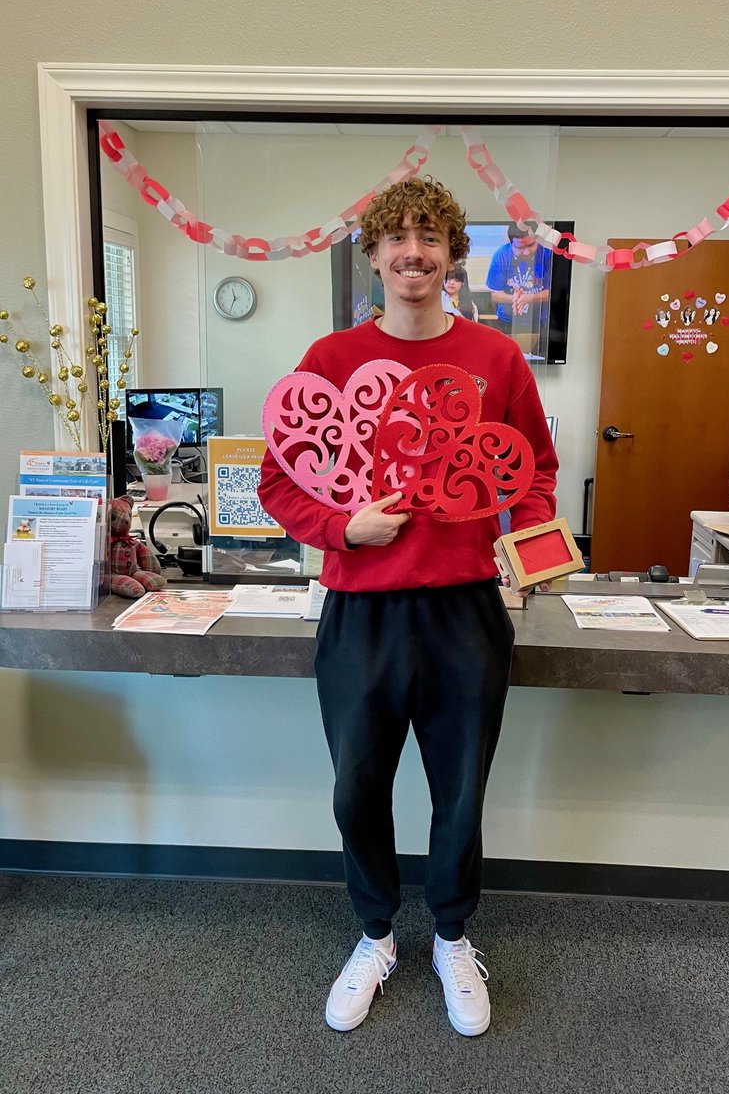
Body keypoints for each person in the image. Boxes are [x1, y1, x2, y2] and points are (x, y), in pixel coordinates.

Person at [257, 177, 558, 1038]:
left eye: (429, 236)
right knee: (358, 788)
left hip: (466, 611)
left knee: (459, 791)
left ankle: (454, 937)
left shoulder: (496, 360)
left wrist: (524, 541)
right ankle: (377, 933)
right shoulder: (329, 360)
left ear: (452, 253)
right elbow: (281, 480)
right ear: (376, 254)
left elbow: (533, 467)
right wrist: (342, 526)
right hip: (362, 613)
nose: (413, 252)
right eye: (397, 238)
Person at [485, 225, 553, 355]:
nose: (527, 252)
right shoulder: (501, 256)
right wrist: (514, 299)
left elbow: (552, 292)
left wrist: (529, 298)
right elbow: (495, 295)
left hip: (539, 321)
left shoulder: (547, 254)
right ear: (511, 244)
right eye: (520, 248)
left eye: (531, 245)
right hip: (507, 320)